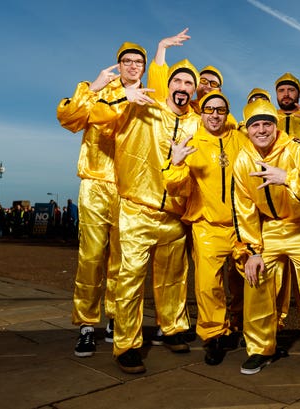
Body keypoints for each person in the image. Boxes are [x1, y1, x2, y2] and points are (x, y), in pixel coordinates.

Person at [89, 59, 200, 374]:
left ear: (193, 91)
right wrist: (124, 98)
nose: (182, 87)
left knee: (174, 278)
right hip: (138, 208)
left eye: (188, 83)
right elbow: (96, 116)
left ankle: (174, 329)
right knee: (130, 279)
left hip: (174, 214)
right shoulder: (143, 108)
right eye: (177, 81)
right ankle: (126, 344)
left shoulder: (197, 123)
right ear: (170, 85)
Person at [231, 99, 300, 383]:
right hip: (270, 230)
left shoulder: (298, 148)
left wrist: (288, 178)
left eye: (267, 123)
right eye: (255, 125)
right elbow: (242, 208)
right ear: (247, 129)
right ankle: (259, 349)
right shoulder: (242, 160)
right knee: (255, 279)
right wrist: (253, 251)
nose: (261, 130)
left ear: (275, 125)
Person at [56, 41, 146, 357]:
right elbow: (70, 118)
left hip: (129, 188)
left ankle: (115, 318)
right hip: (95, 182)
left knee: (124, 260)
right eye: (127, 61)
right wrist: (92, 87)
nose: (133, 65)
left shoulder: (146, 99)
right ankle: (86, 327)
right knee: (91, 258)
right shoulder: (100, 94)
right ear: (118, 65)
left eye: (138, 61)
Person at [162, 90, 245, 366]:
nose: (214, 115)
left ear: (226, 113)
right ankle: (213, 336)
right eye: (209, 109)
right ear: (203, 112)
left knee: (249, 280)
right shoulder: (191, 143)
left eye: (220, 110)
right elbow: (174, 186)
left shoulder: (240, 139)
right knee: (209, 286)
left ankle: (245, 327)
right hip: (207, 225)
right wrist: (175, 163)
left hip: (240, 225)